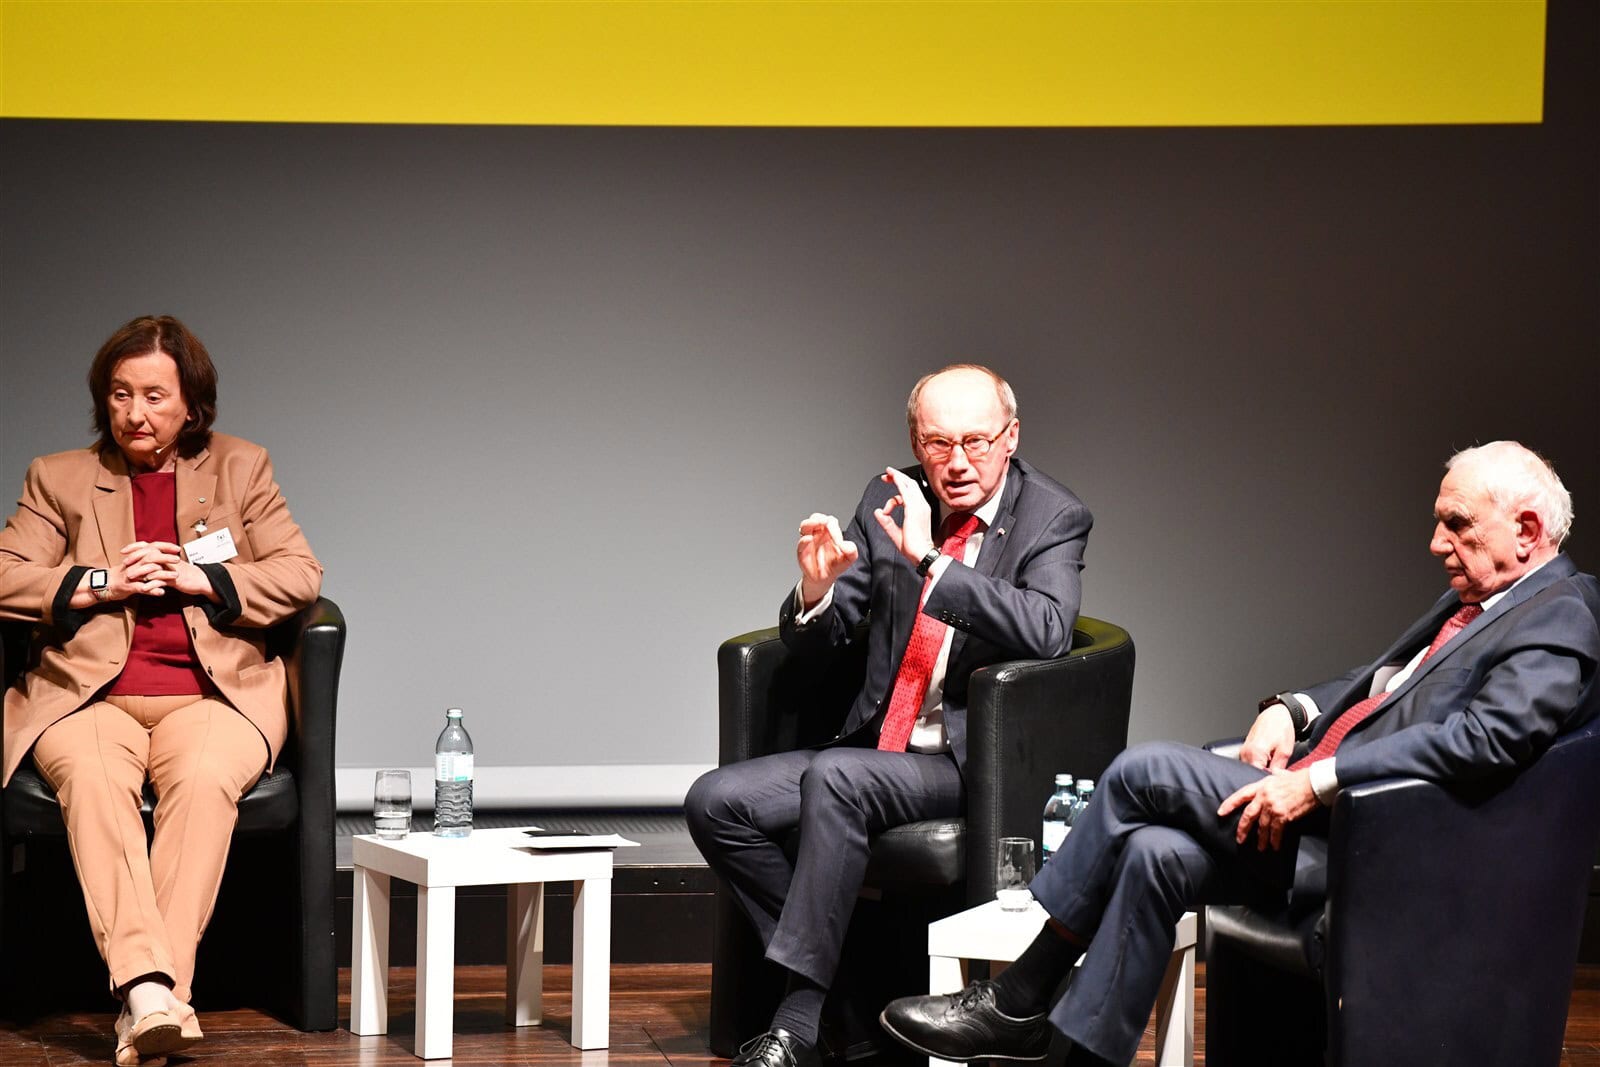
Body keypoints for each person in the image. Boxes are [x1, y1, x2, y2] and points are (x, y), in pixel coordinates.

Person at [880, 441, 1600, 1067]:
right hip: (1329, 817)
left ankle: (1017, 996)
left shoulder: (1559, 614)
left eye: (1458, 524)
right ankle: (1080, 1056)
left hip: (1375, 840)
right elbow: (1380, 684)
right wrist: (1294, 708)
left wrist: (1317, 780)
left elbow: (1490, 739)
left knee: (1140, 772)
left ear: (1529, 530)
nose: (1438, 542)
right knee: (1151, 854)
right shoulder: (1487, 595)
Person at [686, 364, 1093, 1067]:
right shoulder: (889, 495)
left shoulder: (1052, 515)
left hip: (966, 764)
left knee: (838, 778)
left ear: (1011, 436)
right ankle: (850, 1001)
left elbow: (1052, 627)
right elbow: (835, 624)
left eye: (976, 441)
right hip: (875, 748)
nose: (957, 462)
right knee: (717, 802)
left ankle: (798, 1024)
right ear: (916, 439)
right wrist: (816, 590)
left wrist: (932, 559)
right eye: (938, 444)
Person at [0, 315, 322, 1066]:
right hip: (87, 696)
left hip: (213, 696)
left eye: (153, 395)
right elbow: (7, 572)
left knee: (208, 775)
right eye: (119, 394)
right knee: (91, 772)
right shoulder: (60, 477)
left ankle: (150, 993)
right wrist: (95, 582)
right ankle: (154, 994)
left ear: (190, 404)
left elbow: (300, 573)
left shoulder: (241, 469)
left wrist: (202, 577)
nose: (134, 413)